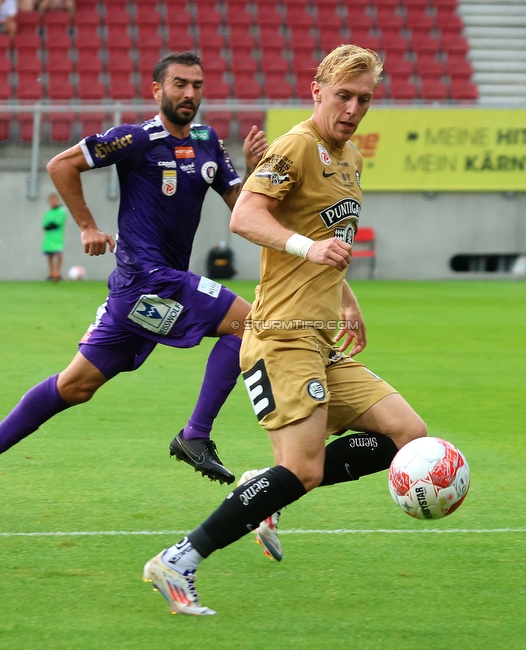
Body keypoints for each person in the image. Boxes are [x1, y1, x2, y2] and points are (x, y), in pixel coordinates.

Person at [143, 45, 428, 617]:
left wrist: (346, 296)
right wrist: (308, 247)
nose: (352, 108)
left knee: (408, 436)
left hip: (320, 337)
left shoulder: (349, 159)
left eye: (364, 99)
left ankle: (267, 486)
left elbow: (326, 237)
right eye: (343, 95)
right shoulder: (297, 145)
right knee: (303, 467)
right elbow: (244, 216)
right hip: (279, 337)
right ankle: (179, 560)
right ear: (317, 90)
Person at [0, 51, 270, 519]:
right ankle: (195, 435)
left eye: (197, 85)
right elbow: (61, 165)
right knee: (249, 323)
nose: (189, 94)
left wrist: (256, 172)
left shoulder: (207, 142)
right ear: (156, 89)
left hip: (147, 291)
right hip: (147, 282)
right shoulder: (134, 139)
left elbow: (242, 211)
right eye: (179, 84)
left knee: (75, 386)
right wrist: (87, 226)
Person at [41, 193, 67, 281]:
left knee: (59, 256)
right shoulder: (48, 213)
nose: (53, 202)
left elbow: (56, 223)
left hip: (57, 238)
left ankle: (57, 273)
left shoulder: (61, 211)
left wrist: (50, 224)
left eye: (54, 200)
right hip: (48, 238)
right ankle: (51, 273)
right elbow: (45, 226)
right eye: (51, 200)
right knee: (49, 256)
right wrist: (50, 225)